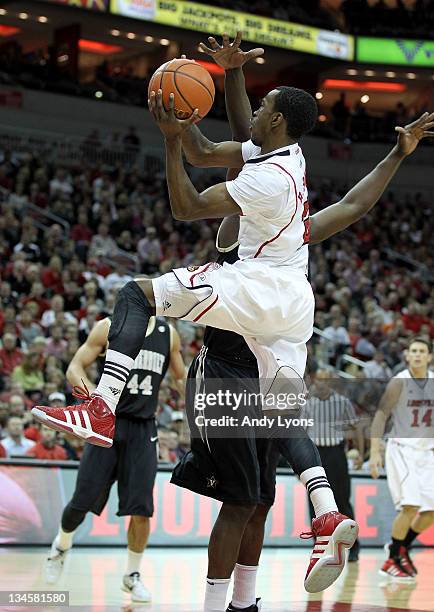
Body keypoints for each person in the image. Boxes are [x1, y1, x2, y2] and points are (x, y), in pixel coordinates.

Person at [32, 32, 434, 610]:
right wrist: (228, 81)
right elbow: (339, 200)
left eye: (266, 109)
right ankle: (325, 514)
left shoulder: (259, 192)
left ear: (277, 122)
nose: (259, 114)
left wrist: (171, 140)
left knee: (135, 294)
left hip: (248, 310)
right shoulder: (288, 163)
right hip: (293, 307)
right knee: (283, 418)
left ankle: (102, 406)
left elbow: (187, 203)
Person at [43, 315, 185, 604]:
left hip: (144, 428)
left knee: (142, 509)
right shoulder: (110, 326)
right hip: (107, 421)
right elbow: (75, 367)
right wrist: (94, 397)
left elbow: (181, 377)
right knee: (81, 501)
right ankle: (62, 544)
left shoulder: (167, 333)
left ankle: (131, 576)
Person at [369, 337, 434, 581]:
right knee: (410, 507)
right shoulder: (399, 382)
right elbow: (380, 415)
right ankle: (392, 559)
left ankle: (399, 547)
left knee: (431, 512)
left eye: (422, 351)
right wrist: (375, 452)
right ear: (407, 355)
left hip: (427, 452)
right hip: (402, 449)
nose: (417, 355)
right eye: (413, 351)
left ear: (429, 357)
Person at [304, 369, 361, 562]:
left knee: (343, 500)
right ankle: (319, 547)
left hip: (336, 453)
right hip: (315, 455)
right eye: (319, 380)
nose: (321, 384)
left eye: (325, 380)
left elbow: (356, 427)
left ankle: (353, 547)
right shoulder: (307, 404)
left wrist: (360, 453)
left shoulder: (342, 402)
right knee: (315, 503)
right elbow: (301, 435)